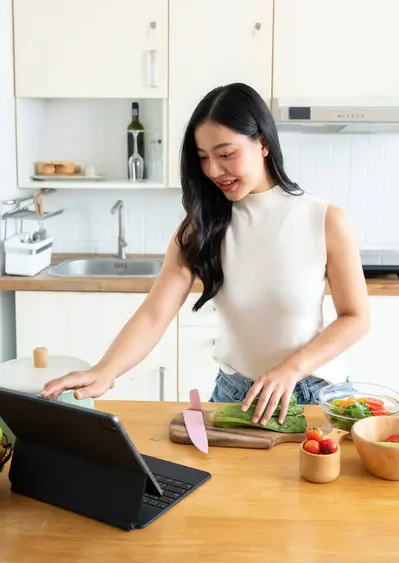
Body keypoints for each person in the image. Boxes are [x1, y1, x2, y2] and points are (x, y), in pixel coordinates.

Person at [42, 83, 369, 425]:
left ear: (263, 143)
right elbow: (156, 313)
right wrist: (104, 372)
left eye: (225, 154)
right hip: (235, 395)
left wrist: (291, 369)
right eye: (203, 158)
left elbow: (355, 317)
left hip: (314, 395)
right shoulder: (201, 228)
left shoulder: (325, 219)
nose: (212, 170)